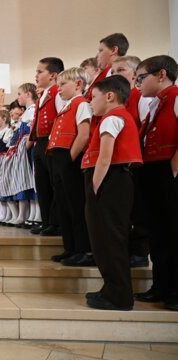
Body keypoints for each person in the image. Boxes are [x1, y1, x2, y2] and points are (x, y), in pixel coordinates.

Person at [82, 75, 142, 311]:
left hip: (109, 182)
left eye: (94, 97)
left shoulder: (112, 118)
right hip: (114, 181)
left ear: (110, 96)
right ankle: (111, 289)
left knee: (108, 240)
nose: (91, 102)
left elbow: (105, 156)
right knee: (106, 240)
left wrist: (95, 186)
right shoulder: (116, 117)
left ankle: (118, 296)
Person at [134, 55, 178, 311]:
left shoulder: (174, 96)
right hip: (152, 171)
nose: (138, 83)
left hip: (167, 171)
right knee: (158, 234)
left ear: (161, 75)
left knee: (173, 233)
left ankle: (175, 290)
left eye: (141, 78)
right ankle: (161, 286)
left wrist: (172, 170)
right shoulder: (154, 103)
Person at [47, 67, 93, 266]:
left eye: (63, 84)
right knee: (63, 205)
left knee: (75, 206)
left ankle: (83, 249)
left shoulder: (81, 104)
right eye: (58, 85)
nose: (59, 89)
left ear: (79, 85)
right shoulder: (66, 106)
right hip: (58, 158)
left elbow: (83, 134)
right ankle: (70, 247)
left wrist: (70, 159)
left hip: (69, 159)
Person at [111, 55, 152, 268]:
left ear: (134, 75)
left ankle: (139, 251)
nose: (115, 75)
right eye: (113, 71)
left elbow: (144, 129)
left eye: (121, 71)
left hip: (138, 160)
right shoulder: (119, 99)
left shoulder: (140, 98)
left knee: (139, 208)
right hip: (120, 162)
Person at [28, 57, 65, 236]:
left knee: (53, 183)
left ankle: (56, 223)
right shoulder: (43, 94)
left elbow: (60, 117)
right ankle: (47, 221)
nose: (36, 75)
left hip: (50, 142)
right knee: (42, 184)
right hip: (40, 142)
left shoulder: (58, 92)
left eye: (39, 72)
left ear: (53, 75)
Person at [13, 83, 39, 229]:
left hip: (29, 147)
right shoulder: (28, 111)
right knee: (28, 180)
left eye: (19, 93)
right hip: (24, 148)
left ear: (28, 94)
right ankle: (31, 214)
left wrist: (25, 146)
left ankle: (37, 214)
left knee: (34, 179)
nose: (18, 97)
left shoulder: (34, 109)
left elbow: (31, 132)